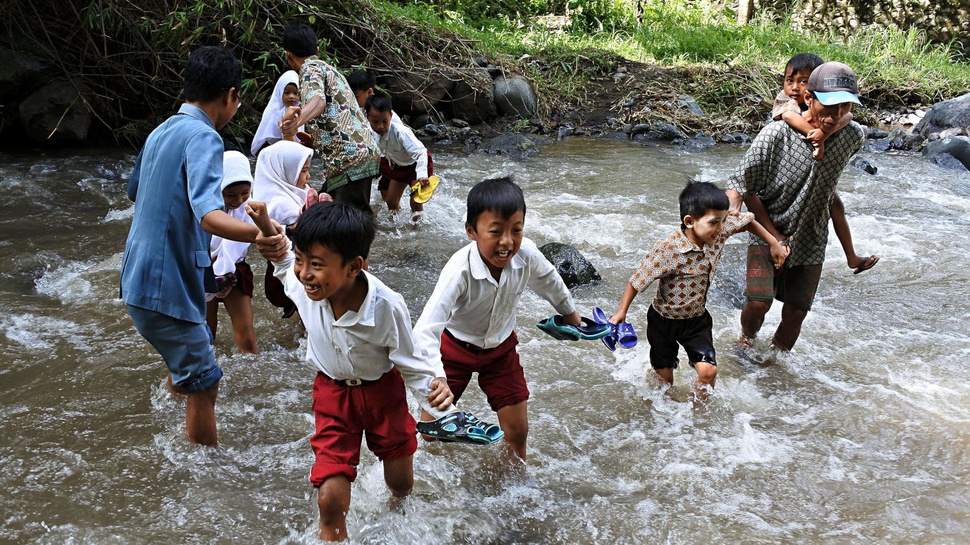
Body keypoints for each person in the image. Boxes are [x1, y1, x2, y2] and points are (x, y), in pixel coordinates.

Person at [250, 201, 484, 542]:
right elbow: (284, 260)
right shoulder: (304, 287)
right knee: (329, 497)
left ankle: (398, 512)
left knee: (400, 482)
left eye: (316, 265)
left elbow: (412, 362)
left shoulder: (387, 306)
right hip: (331, 396)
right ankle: (334, 535)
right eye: (303, 261)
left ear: (354, 266)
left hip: (382, 394)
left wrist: (442, 407)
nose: (305, 274)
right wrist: (269, 232)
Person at [120, 46, 286, 446]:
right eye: (238, 99)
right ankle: (204, 475)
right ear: (229, 95)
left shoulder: (162, 130)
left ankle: (165, 425)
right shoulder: (205, 138)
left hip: (138, 277)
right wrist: (260, 233)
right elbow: (209, 215)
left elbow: (133, 192)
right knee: (205, 382)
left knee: (190, 370)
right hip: (167, 284)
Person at [412, 176, 581, 464]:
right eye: (495, 232)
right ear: (471, 231)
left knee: (517, 430)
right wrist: (436, 377)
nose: (507, 242)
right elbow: (425, 329)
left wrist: (570, 314)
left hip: (501, 351)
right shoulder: (459, 271)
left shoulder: (526, 254)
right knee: (431, 432)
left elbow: (549, 280)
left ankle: (513, 485)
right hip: (454, 350)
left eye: (516, 230)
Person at [726, 61, 872, 351]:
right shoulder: (775, 134)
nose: (836, 115)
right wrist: (732, 213)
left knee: (797, 312)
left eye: (844, 107)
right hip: (768, 230)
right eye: (829, 107)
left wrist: (828, 130)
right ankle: (746, 341)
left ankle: (776, 368)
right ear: (809, 98)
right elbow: (740, 183)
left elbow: (832, 193)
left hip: (812, 236)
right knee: (758, 302)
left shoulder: (852, 135)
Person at [607, 182, 788, 400]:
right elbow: (637, 281)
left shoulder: (717, 233)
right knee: (664, 384)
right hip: (663, 322)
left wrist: (773, 243)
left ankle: (699, 417)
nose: (721, 228)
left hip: (696, 321)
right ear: (690, 222)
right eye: (714, 222)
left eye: (723, 221)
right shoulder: (668, 249)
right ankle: (662, 417)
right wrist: (621, 312)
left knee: (709, 372)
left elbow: (748, 222)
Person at [772, 53, 879, 275]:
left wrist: (823, 133)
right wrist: (816, 135)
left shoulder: (832, 105)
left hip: (813, 167)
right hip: (783, 166)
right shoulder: (786, 100)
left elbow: (847, 117)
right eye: (789, 80)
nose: (794, 88)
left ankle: (851, 256)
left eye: (803, 81)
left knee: (835, 204)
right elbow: (790, 118)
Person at [279, 21, 380, 215]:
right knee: (322, 211)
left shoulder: (309, 70)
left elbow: (318, 101)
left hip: (349, 159)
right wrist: (316, 141)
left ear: (288, 56)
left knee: (349, 222)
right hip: (356, 155)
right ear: (317, 50)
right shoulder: (330, 70)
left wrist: (295, 123)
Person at [252, 139, 321, 318]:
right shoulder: (282, 206)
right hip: (294, 263)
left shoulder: (279, 192)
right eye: (304, 171)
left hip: (290, 263)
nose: (309, 176)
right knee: (307, 307)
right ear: (286, 172)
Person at [206, 151, 258, 354]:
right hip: (204, 270)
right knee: (206, 333)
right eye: (230, 195)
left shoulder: (253, 208)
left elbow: (264, 235)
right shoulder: (203, 209)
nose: (239, 199)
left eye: (245, 192)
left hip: (236, 272)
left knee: (246, 335)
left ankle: (254, 377)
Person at [365, 92, 435, 217]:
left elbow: (421, 153)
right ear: (367, 118)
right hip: (399, 165)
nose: (380, 126)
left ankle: (416, 229)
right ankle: (397, 225)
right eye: (375, 122)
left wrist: (422, 175)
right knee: (391, 201)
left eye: (384, 121)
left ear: (391, 116)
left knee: (416, 202)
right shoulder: (369, 132)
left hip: (417, 164)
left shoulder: (400, 132)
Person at [250, 70, 302, 156]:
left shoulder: (300, 111)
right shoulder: (273, 111)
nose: (291, 97)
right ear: (280, 92)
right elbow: (268, 136)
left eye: (295, 93)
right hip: (272, 151)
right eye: (287, 93)